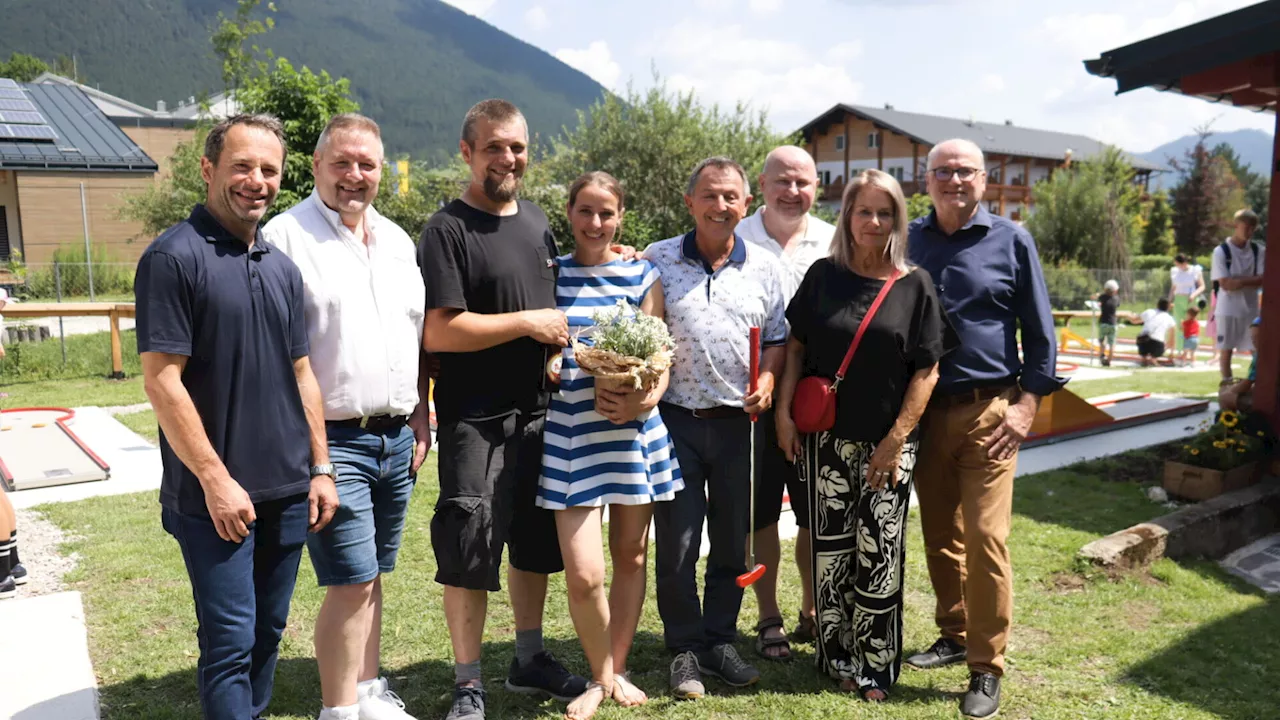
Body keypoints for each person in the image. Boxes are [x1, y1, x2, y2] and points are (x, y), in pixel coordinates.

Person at [135, 114, 340, 719]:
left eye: (269, 170)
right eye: (242, 166)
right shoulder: (173, 259)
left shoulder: (281, 268)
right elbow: (162, 380)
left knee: (268, 633)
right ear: (208, 169)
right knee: (228, 645)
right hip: (214, 500)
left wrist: (321, 467)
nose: (256, 180)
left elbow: (302, 373)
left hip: (286, 489)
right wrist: (215, 480)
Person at [417, 99, 588, 720]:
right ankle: (468, 683)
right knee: (469, 549)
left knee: (534, 547)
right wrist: (528, 324)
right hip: (476, 421)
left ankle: (528, 659)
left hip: (543, 416)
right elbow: (441, 331)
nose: (507, 158)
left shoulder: (539, 221)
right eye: (493, 147)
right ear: (467, 152)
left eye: (515, 147)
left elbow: (555, 303)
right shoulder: (446, 229)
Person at [264, 113, 430, 720]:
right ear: (316, 167)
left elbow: (413, 336)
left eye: (366, 164)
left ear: (381, 170)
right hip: (333, 440)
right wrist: (315, 458)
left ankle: (367, 691)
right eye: (342, 162)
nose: (354, 175)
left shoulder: (397, 240)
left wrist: (421, 412)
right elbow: (280, 355)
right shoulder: (286, 237)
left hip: (395, 435)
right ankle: (338, 710)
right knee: (350, 580)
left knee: (373, 574)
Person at [775, 169, 953, 701]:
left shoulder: (914, 284)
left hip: (887, 447)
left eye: (884, 212)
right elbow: (798, 349)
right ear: (847, 217)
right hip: (825, 441)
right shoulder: (822, 276)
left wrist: (896, 438)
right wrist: (784, 413)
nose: (873, 222)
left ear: (897, 219)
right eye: (862, 211)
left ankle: (876, 664)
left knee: (880, 555)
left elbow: (928, 370)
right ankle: (837, 658)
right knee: (831, 553)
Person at [905, 139, 1064, 720]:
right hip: (922, 413)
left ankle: (986, 666)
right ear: (927, 179)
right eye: (942, 171)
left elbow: (1040, 333)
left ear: (984, 178)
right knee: (939, 534)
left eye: (964, 171)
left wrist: (1024, 409)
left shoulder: (1011, 239)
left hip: (989, 411)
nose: (953, 180)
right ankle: (953, 633)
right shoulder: (909, 239)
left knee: (986, 539)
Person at [534, 171, 683, 720]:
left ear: (620, 217)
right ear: (569, 213)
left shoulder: (643, 273)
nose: (595, 223)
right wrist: (551, 363)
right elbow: (544, 342)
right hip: (573, 434)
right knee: (584, 573)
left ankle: (613, 669)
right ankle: (599, 676)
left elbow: (661, 355)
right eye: (585, 211)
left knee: (632, 555)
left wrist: (646, 402)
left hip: (633, 435)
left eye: (606, 213)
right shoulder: (551, 273)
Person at [645, 157, 787, 700]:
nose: (720, 206)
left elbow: (777, 337)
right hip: (676, 420)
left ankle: (720, 639)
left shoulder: (765, 268)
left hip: (740, 426)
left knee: (733, 541)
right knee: (679, 543)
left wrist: (770, 380)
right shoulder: (658, 258)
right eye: (710, 195)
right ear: (690, 202)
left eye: (731, 197)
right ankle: (683, 649)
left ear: (746, 205)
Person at [735, 145, 836, 660]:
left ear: (817, 187)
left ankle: (813, 610)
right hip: (755, 398)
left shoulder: (834, 239)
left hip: (820, 399)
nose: (793, 192)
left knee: (815, 515)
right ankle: (768, 615)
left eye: (804, 182)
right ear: (763, 183)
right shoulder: (736, 235)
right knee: (761, 516)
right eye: (784, 181)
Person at [1212, 209, 1265, 381]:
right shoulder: (1221, 251)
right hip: (1227, 310)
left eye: (1253, 229)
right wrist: (1251, 280)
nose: (1249, 232)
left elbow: (1263, 279)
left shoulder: (1258, 250)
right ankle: (1226, 386)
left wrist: (1238, 281)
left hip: (1250, 310)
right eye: (1246, 228)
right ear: (1236, 225)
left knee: (1257, 350)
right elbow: (1226, 284)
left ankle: (1258, 383)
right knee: (1226, 350)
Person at [1220, 316, 1262, 412]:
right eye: (1252, 338)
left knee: (1224, 397)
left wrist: (1230, 390)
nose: (1254, 341)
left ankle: (1230, 425)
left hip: (1267, 400)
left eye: (1257, 337)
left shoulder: (1260, 356)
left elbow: (1247, 384)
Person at [1168, 254, 1205, 352]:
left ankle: (1192, 351)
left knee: (1191, 324)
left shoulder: (1195, 270)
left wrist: (1193, 295)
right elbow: (1173, 287)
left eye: (1179, 264)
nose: (1178, 267)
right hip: (1178, 299)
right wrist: (1169, 300)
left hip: (1190, 299)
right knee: (1179, 325)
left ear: (1184, 263)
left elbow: (1202, 286)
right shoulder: (1175, 271)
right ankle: (1180, 350)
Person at [1136, 299, 1177, 367]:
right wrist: (1171, 352)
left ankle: (1144, 358)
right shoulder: (1170, 318)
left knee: (1143, 339)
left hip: (1143, 340)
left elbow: (1135, 320)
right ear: (1168, 307)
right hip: (1157, 343)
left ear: (1157, 305)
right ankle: (1153, 358)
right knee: (1159, 343)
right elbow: (1172, 338)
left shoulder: (1149, 311)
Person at [1097, 279, 1120, 367]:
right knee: (1112, 343)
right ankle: (1109, 360)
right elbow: (1117, 305)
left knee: (1102, 341)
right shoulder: (1117, 298)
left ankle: (1102, 356)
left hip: (1103, 322)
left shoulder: (1102, 297)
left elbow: (1098, 300)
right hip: (1113, 323)